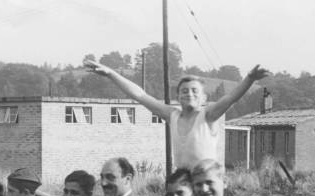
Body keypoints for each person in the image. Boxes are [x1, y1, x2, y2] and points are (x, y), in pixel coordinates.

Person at [84, 60, 269, 170]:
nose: (189, 94)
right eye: (184, 91)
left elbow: (230, 98)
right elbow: (140, 95)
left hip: (206, 183)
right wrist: (111, 74)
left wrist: (250, 79)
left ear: (204, 97)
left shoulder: (208, 115)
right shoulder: (172, 115)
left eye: (195, 91)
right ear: (178, 97)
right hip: (182, 184)